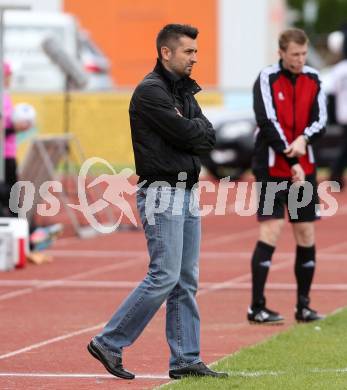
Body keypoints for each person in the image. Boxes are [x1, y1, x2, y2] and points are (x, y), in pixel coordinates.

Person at [87, 24, 227, 380]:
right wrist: (190, 130)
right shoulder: (151, 92)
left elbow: (208, 136)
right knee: (164, 275)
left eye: (196, 51)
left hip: (186, 190)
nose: (195, 57)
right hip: (162, 192)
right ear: (167, 53)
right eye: (188, 52)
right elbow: (187, 133)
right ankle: (110, 342)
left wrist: (191, 129)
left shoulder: (182, 92)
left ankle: (185, 359)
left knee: (185, 279)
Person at [248, 28, 327, 324]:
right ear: (281, 52)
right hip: (271, 169)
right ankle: (257, 306)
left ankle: (303, 305)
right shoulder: (267, 78)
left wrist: (304, 141)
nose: (300, 59)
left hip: (303, 169)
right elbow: (266, 121)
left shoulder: (314, 78)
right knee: (271, 230)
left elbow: (321, 121)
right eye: (294, 54)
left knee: (305, 231)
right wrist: (288, 155)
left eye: (303, 54)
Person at [328, 26, 347, 189]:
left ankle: (336, 175)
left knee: (344, 146)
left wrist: (332, 116)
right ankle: (335, 175)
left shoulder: (338, 69)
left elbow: (332, 94)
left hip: (343, 114)